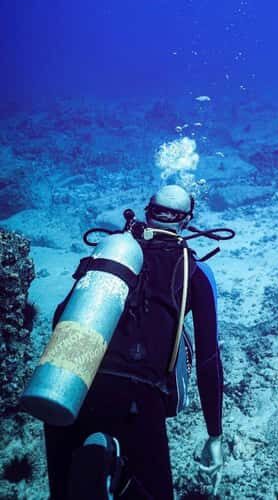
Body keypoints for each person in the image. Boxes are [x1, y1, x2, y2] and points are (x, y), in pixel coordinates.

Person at [43, 185, 225, 499]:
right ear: (187, 221)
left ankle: (103, 464)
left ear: (146, 211)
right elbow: (209, 360)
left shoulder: (110, 257)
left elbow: (60, 317)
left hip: (69, 381)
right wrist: (214, 434)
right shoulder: (196, 272)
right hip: (138, 399)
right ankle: (120, 475)